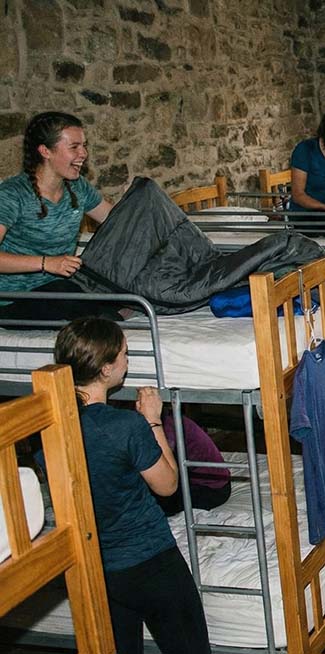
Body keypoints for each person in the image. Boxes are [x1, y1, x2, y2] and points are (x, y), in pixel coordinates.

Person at [53, 317, 210, 654]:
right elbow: (167, 485)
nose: (128, 360)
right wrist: (152, 419)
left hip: (101, 570)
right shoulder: (126, 426)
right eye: (123, 354)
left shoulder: (51, 429)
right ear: (106, 368)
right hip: (152, 562)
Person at [0, 112, 115, 322]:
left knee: (123, 288)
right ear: (45, 151)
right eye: (74, 147)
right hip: (14, 299)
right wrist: (46, 263)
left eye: (84, 145)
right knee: (83, 306)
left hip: (61, 289)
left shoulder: (78, 187)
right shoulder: (11, 194)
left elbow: (117, 221)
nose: (83, 153)